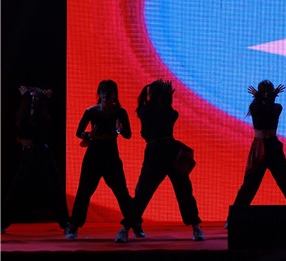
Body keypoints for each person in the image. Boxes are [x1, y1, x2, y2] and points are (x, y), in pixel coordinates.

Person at [117, 79, 204, 243]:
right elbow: (162, 115)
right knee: (170, 191)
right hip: (161, 152)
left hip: (162, 151)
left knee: (179, 190)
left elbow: (153, 121)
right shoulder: (158, 112)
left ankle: (125, 229)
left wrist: (161, 98)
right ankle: (126, 227)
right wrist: (165, 99)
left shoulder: (152, 111)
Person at [229, 80, 286, 228]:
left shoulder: (277, 107)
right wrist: (267, 96)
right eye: (264, 91)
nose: (267, 94)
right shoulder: (254, 107)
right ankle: (233, 218)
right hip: (259, 148)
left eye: (268, 91)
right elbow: (262, 113)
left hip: (273, 148)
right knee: (249, 185)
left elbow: (269, 113)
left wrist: (264, 97)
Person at [67, 79, 134, 240]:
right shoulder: (91, 111)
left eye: (109, 92)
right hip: (94, 153)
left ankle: (134, 223)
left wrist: (119, 130)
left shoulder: (120, 112)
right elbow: (78, 132)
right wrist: (88, 134)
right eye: (103, 92)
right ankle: (74, 226)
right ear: (100, 94)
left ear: (114, 95)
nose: (106, 95)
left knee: (121, 191)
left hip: (111, 152)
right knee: (84, 190)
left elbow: (128, 135)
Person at [1, 86, 70, 235]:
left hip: (42, 152)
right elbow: (23, 127)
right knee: (17, 188)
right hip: (28, 153)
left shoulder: (43, 115)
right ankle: (3, 222)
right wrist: (28, 97)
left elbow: (40, 124)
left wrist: (41, 99)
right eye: (32, 97)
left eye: (36, 98)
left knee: (55, 187)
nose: (34, 100)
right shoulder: (23, 114)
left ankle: (65, 223)